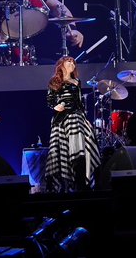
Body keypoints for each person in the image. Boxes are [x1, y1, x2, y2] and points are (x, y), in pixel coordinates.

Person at [44, 56, 101, 192]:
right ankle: (63, 187)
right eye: (69, 61)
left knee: (83, 147)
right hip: (61, 119)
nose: (72, 63)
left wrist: (85, 119)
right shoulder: (54, 81)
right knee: (59, 152)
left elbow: (79, 103)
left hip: (76, 117)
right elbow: (50, 100)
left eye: (74, 62)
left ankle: (81, 183)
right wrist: (56, 106)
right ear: (61, 64)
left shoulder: (77, 81)